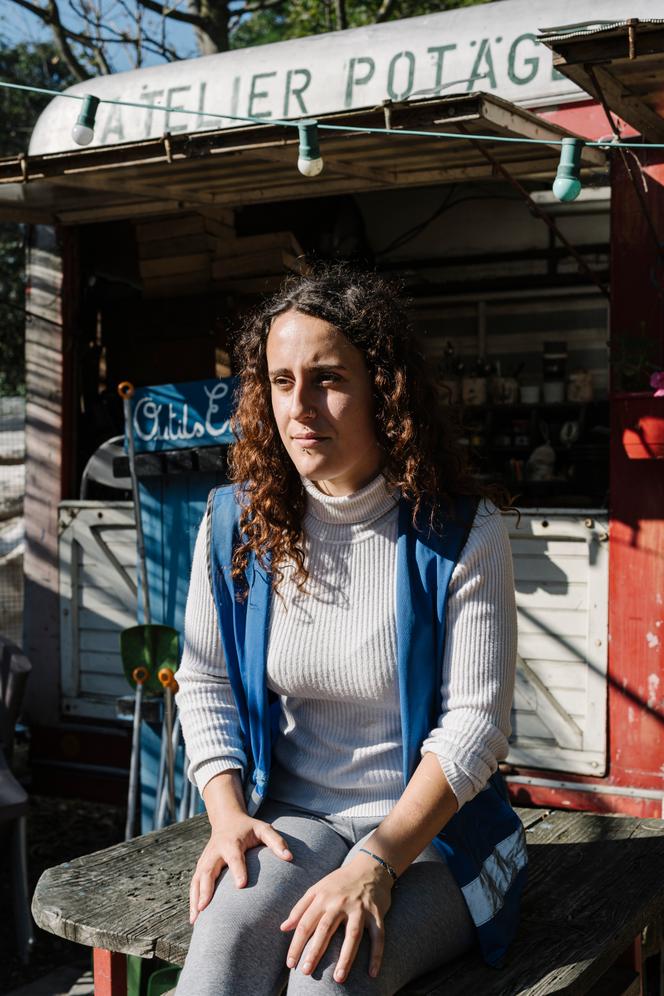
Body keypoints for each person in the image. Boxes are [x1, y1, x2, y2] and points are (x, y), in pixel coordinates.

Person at [174, 263, 527, 996]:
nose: (300, 406)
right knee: (219, 956)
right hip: (295, 818)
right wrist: (228, 814)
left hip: (431, 839)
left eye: (328, 378)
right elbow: (203, 679)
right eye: (280, 381)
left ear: (385, 390)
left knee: (327, 978)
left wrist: (375, 861)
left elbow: (475, 728)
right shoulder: (233, 523)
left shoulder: (463, 534)